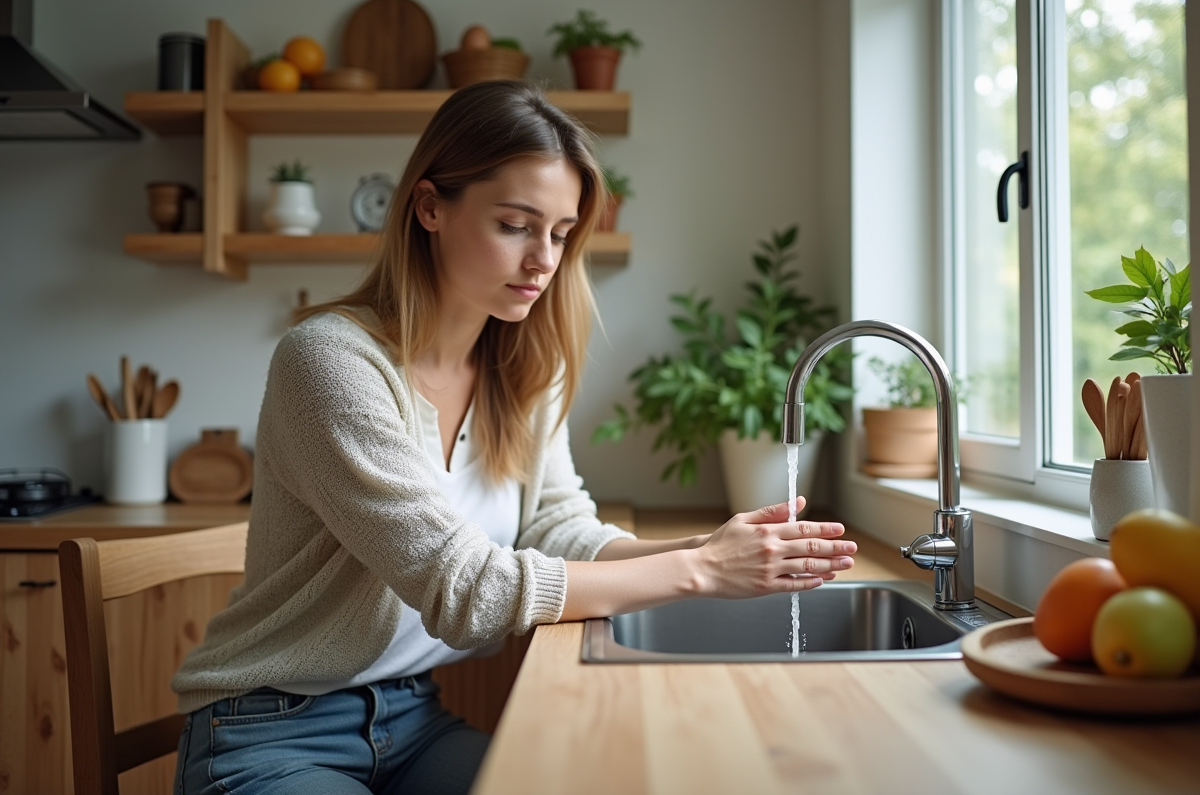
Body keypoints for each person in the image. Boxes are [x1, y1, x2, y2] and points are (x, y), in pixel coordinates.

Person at [171, 80, 857, 795]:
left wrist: (706, 546)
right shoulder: (330, 361)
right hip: (269, 730)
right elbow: (463, 589)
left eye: (561, 234)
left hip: (412, 719)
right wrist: (702, 572)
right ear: (430, 207)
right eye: (515, 225)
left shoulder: (525, 369)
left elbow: (557, 528)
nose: (544, 260)